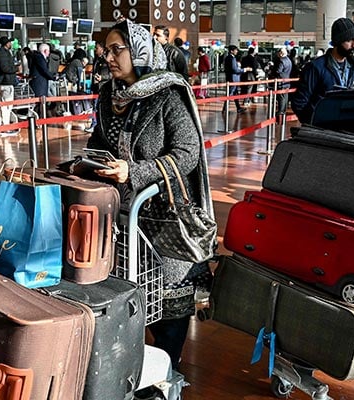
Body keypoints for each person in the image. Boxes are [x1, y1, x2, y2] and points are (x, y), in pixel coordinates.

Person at [86, 18, 213, 371]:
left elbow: (188, 152)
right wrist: (87, 161)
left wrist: (135, 170)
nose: (108, 57)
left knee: (168, 300)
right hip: (125, 215)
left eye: (117, 50)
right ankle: (137, 367)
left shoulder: (168, 94)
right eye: (106, 50)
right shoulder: (109, 95)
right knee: (131, 290)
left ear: (139, 51)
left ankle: (168, 368)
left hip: (164, 213)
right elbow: (101, 141)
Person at [291, 17, 354, 124]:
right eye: (349, 40)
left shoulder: (352, 68)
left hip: (342, 128)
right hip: (320, 131)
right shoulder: (316, 67)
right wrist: (314, 124)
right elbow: (299, 102)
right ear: (337, 41)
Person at [0, 36, 19, 136]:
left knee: (0, 105)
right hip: (6, 83)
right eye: (10, 42)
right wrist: (16, 69)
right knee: (7, 106)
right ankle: (5, 127)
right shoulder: (3, 53)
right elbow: (5, 68)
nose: (11, 44)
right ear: (7, 43)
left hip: (1, 83)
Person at [85, 42, 111, 133]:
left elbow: (112, 74)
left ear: (102, 49)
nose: (95, 50)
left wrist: (102, 78)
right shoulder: (97, 60)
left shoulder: (107, 60)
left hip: (104, 87)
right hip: (96, 87)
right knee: (95, 107)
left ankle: (97, 125)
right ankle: (95, 125)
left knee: (100, 107)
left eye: (97, 48)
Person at [223, 45, 251, 114]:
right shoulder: (232, 59)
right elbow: (235, 70)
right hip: (233, 79)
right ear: (231, 51)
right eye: (235, 50)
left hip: (231, 78)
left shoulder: (228, 58)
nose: (237, 51)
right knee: (230, 94)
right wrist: (244, 69)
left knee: (235, 94)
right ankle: (225, 109)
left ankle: (238, 108)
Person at [273, 47, 292, 115]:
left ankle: (280, 111)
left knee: (281, 96)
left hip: (281, 81)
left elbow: (278, 71)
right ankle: (284, 110)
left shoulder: (281, 61)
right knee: (285, 96)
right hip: (287, 81)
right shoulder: (289, 60)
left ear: (281, 53)